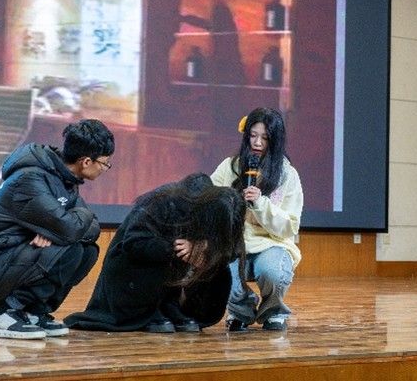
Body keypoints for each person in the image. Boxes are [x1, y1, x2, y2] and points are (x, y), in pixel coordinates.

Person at [0, 119, 115, 339]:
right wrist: (71, 222)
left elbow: (91, 229)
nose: (105, 168)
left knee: (86, 251)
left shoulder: (66, 180)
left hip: (17, 257)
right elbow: (71, 227)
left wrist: (56, 230)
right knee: (68, 245)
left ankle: (34, 311)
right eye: (105, 163)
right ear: (86, 161)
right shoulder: (30, 177)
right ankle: (5, 313)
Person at [64, 173, 246, 333]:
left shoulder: (224, 214)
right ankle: (151, 310)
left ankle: (173, 307)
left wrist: (206, 247)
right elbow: (134, 244)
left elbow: (233, 250)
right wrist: (175, 248)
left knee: (219, 267)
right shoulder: (166, 200)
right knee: (166, 254)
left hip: (172, 287)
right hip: (132, 276)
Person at [210, 107, 303, 331]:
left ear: (275, 141)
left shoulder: (287, 175)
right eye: (253, 135)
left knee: (272, 271)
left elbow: (289, 226)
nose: (258, 143)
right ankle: (240, 311)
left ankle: (274, 312)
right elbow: (209, 199)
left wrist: (261, 203)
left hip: (272, 244)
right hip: (234, 243)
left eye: (265, 138)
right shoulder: (230, 166)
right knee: (220, 272)